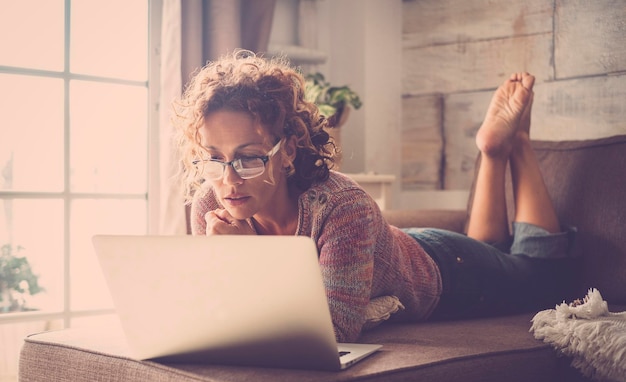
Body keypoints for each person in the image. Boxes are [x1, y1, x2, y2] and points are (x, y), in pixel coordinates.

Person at [174, 50, 576, 343]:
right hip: (396, 249)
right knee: (491, 246)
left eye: (248, 159)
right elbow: (223, 309)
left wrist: (252, 259)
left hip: (449, 273)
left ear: (289, 151)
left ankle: (519, 142)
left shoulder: (342, 206)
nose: (228, 180)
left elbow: (335, 327)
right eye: (212, 159)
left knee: (541, 276)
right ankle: (493, 152)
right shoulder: (211, 205)